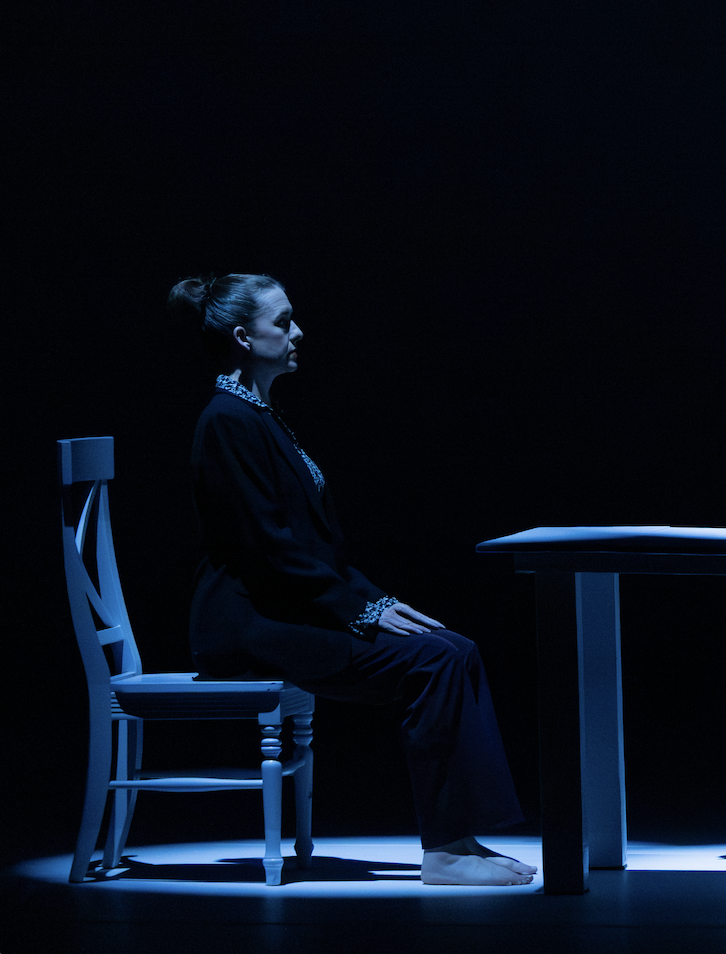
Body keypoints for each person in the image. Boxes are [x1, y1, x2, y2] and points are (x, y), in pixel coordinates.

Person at [171, 274, 535, 887]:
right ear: (243, 337)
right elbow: (268, 550)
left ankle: (462, 837)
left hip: (285, 608)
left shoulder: (259, 415)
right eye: (282, 321)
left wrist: (376, 599)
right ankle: (444, 852)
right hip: (249, 624)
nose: (298, 332)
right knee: (434, 661)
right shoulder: (227, 420)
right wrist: (359, 611)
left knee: (456, 648)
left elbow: (315, 548)